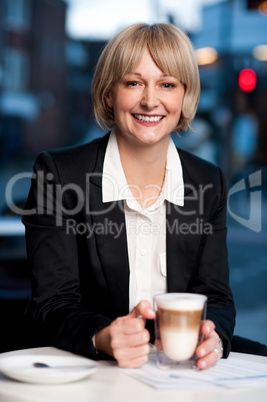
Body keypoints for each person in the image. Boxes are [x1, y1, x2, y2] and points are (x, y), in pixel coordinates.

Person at [22, 23, 235, 370]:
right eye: (134, 83)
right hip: (89, 366)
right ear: (109, 94)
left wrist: (215, 336)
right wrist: (103, 337)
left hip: (179, 368)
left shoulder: (209, 182)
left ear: (184, 97)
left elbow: (218, 299)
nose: (150, 100)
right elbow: (52, 303)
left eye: (167, 84)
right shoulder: (59, 175)